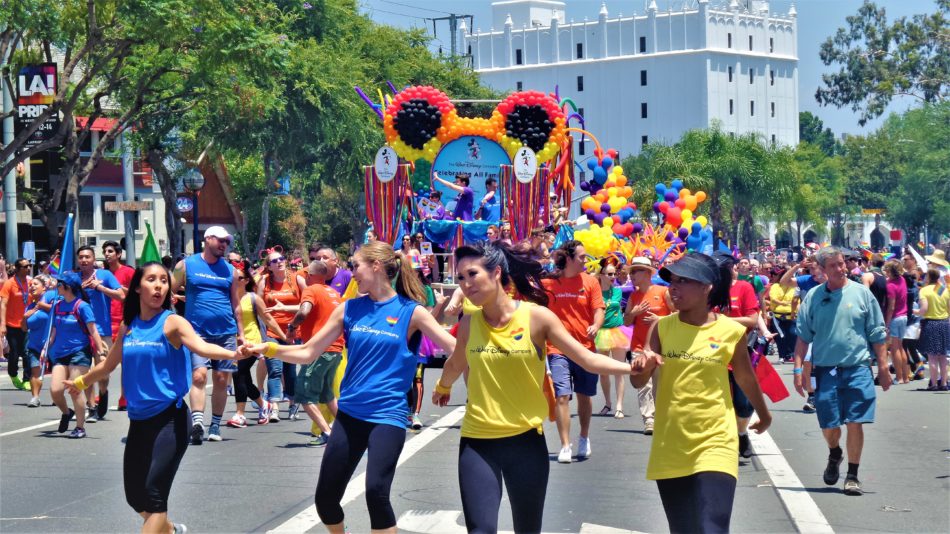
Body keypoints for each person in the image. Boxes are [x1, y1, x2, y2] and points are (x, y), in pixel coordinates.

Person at [248, 242, 456, 534]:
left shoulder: (412, 312)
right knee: (326, 500)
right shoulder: (349, 309)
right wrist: (267, 348)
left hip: (388, 415)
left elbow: (454, 349)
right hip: (350, 415)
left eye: (355, 265)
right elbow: (308, 352)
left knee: (376, 493)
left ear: (376, 266)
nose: (351, 272)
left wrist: (448, 382)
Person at [432, 241, 635, 533]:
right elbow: (454, 363)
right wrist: (443, 386)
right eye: (460, 278)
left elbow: (587, 358)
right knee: (480, 530)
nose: (465, 284)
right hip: (478, 443)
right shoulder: (469, 324)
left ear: (496, 272)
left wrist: (632, 367)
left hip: (525, 443)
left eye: (472, 274)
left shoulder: (536, 317)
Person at [63, 262, 247, 534]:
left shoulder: (172, 322)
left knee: (153, 495)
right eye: (152, 279)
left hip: (170, 420)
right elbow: (107, 366)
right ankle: (171, 531)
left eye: (164, 280)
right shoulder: (130, 326)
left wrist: (233, 354)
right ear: (138, 287)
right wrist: (79, 382)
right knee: (135, 497)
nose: (159, 285)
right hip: (139, 422)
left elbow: (201, 346)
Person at [631, 253, 772, 532]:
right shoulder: (662, 327)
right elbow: (639, 383)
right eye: (673, 280)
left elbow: (744, 375)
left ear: (707, 286)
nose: (674, 287)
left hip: (716, 439)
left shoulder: (731, 331)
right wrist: (642, 367)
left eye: (684, 281)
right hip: (670, 443)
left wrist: (764, 414)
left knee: (713, 527)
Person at [794, 246, 890, 496]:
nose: (840, 269)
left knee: (855, 422)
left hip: (858, 368)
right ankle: (835, 452)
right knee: (829, 425)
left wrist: (883, 366)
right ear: (823, 270)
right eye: (834, 265)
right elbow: (803, 336)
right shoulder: (814, 297)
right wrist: (797, 369)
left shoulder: (861, 294)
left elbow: (877, 333)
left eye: (842, 263)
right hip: (827, 371)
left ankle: (852, 475)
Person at [171, 226, 244, 444]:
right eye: (220, 240)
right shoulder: (185, 265)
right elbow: (169, 290)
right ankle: (197, 424)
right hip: (196, 332)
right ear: (207, 239)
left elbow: (237, 304)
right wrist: (173, 306)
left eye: (226, 241)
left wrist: (242, 334)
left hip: (226, 332)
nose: (224, 244)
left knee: (221, 380)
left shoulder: (231, 271)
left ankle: (215, 425)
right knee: (199, 375)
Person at [541, 240, 605, 463]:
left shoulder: (590, 282)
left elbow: (599, 309)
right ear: (568, 259)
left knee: (584, 396)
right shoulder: (548, 283)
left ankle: (583, 437)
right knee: (562, 395)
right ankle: (565, 444)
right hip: (557, 349)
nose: (585, 261)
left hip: (585, 349)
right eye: (581, 257)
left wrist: (596, 326)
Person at [286, 260, 345, 446]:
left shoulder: (311, 290)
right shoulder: (334, 293)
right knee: (327, 394)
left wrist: (292, 327)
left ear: (311, 275)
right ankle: (347, 429)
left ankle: (327, 432)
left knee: (304, 394)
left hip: (319, 349)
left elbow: (304, 311)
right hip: (336, 349)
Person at [47, 272, 108, 438]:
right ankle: (67, 413)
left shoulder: (82, 306)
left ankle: (80, 427)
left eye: (59, 284)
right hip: (60, 354)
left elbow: (93, 331)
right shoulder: (58, 306)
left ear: (67, 287)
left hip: (80, 352)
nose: (56, 286)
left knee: (75, 390)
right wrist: (46, 348)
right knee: (55, 390)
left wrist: (100, 353)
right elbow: (54, 331)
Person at [229, 261, 286, 428]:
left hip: (253, 342)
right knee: (243, 377)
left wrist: (283, 337)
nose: (234, 280)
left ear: (246, 280)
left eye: (238, 278)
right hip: (233, 342)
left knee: (238, 372)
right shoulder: (228, 298)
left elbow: (268, 319)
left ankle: (240, 414)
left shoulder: (253, 298)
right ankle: (263, 404)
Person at [624, 256, 674, 435]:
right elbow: (626, 320)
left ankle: (661, 417)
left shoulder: (663, 292)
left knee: (660, 384)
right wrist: (634, 312)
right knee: (643, 385)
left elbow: (678, 315)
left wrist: (659, 319)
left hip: (662, 347)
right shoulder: (634, 295)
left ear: (647, 273)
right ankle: (649, 420)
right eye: (631, 272)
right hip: (639, 347)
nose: (632, 275)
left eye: (635, 271)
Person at [76, 245, 126, 421]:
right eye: (81, 257)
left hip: (102, 331)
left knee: (102, 372)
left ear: (93, 259)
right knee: (85, 371)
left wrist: (99, 288)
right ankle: (92, 407)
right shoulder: (75, 279)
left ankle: (103, 394)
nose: (84, 260)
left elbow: (121, 296)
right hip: (81, 332)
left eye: (87, 257)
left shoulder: (104, 275)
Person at [257, 248, 303, 421]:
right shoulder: (264, 282)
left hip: (292, 331)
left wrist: (285, 309)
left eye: (282, 258)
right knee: (275, 369)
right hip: (271, 331)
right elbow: (258, 305)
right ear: (269, 266)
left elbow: (308, 304)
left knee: (290, 370)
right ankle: (274, 407)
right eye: (275, 261)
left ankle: (292, 404)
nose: (280, 262)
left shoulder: (297, 278)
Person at [594, 259, 630, 418]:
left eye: (614, 274)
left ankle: (619, 406)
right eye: (609, 274)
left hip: (617, 332)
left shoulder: (618, 291)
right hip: (601, 332)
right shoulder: (594, 292)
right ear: (601, 275)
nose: (613, 276)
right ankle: (608, 403)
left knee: (619, 370)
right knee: (603, 372)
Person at [103, 241, 136, 410]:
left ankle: (125, 397)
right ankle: (102, 392)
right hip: (105, 323)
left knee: (126, 363)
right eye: (104, 251)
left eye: (110, 251)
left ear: (118, 254)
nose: (107, 254)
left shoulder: (129, 272)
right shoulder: (101, 273)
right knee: (102, 361)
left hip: (124, 322)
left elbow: (139, 292)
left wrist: (122, 289)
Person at [23, 274, 57, 406]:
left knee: (57, 371)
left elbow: (57, 309)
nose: (32, 287)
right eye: (30, 285)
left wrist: (42, 305)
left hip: (52, 343)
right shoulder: (29, 306)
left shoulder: (50, 296)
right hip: (35, 344)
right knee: (35, 370)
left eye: (35, 284)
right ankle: (35, 397)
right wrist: (25, 317)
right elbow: (24, 328)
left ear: (44, 288)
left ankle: (56, 396)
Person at [1, 258, 34, 391]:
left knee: (26, 352)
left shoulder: (31, 282)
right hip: (11, 324)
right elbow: (3, 304)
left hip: (26, 324)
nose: (29, 268)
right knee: (14, 353)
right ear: (18, 269)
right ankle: (13, 375)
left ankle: (27, 379)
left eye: (29, 265)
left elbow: (37, 298)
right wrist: (2, 324)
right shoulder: (9, 284)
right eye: (26, 266)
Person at [916, 268, 950, 390]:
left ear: (929, 277)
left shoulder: (924, 290)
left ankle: (934, 384)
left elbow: (923, 309)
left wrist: (914, 311)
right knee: (943, 356)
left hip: (931, 323)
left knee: (932, 356)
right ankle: (944, 383)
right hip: (944, 323)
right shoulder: (941, 289)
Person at [883, 260, 910, 384]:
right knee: (901, 347)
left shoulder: (890, 285)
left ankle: (899, 377)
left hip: (895, 317)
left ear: (890, 271)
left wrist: (886, 323)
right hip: (904, 316)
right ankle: (906, 376)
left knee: (895, 349)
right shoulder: (902, 280)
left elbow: (891, 307)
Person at [768, 267, 798, 363]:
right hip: (777, 316)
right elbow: (773, 298)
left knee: (793, 335)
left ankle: (793, 355)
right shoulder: (775, 286)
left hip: (792, 315)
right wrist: (783, 303)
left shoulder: (795, 286)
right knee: (781, 336)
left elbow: (797, 299)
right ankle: (782, 356)